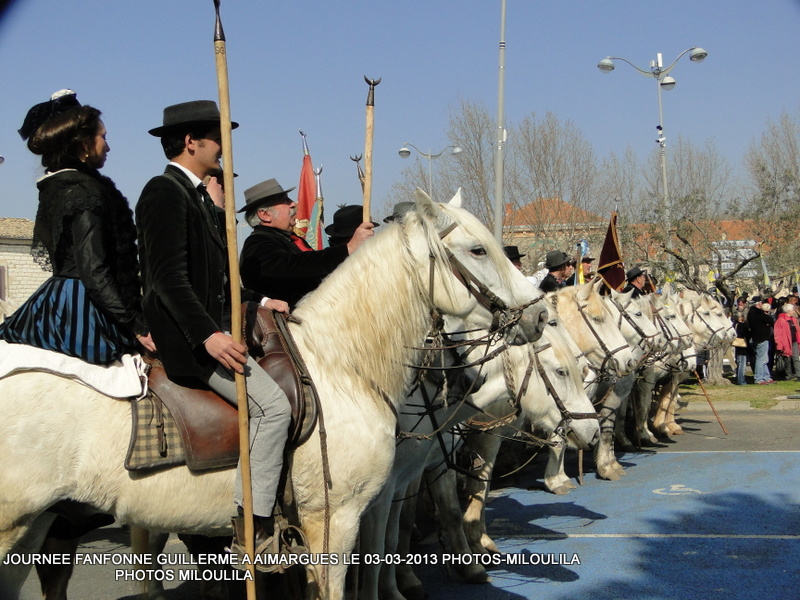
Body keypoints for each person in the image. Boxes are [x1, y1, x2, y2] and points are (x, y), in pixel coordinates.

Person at [136, 100, 290, 562]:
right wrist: (208, 335)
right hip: (190, 343)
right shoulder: (163, 192)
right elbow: (167, 278)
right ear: (191, 142)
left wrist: (258, 302)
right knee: (274, 408)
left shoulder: (197, 195)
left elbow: (218, 276)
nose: (224, 149)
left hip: (210, 331)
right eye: (218, 139)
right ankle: (253, 525)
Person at [0, 89, 155, 363]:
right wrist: (137, 326)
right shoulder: (84, 192)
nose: (107, 145)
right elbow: (93, 270)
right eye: (103, 137)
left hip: (57, 300)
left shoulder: (59, 186)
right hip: (82, 309)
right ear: (84, 143)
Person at [239, 178, 374, 309]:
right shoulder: (257, 244)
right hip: (290, 326)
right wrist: (347, 248)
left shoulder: (288, 239)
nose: (293, 204)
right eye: (285, 201)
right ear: (265, 214)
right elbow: (294, 266)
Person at [747, 296, 775, 384]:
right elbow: (770, 319)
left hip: (758, 337)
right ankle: (758, 378)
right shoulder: (757, 312)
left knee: (764, 358)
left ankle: (766, 376)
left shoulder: (751, 312)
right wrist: (767, 323)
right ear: (759, 303)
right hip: (761, 337)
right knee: (761, 359)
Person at [774, 303, 800, 380]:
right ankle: (788, 375)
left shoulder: (794, 320)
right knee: (787, 359)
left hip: (794, 341)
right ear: (788, 311)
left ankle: (799, 375)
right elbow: (777, 334)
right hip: (785, 342)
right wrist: (779, 344)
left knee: (796, 358)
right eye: (792, 310)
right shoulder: (780, 321)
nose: (794, 311)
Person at [733, 310, 750, 385]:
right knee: (742, 365)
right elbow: (746, 334)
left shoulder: (735, 325)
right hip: (742, 346)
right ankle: (741, 380)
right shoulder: (741, 325)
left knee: (739, 363)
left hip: (737, 346)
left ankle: (739, 379)